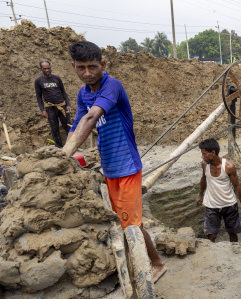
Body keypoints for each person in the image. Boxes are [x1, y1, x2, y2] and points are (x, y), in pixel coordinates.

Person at [61, 41, 166, 282]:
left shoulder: (112, 86)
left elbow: (91, 116)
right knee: (121, 222)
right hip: (109, 169)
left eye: (92, 67)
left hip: (127, 167)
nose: (87, 73)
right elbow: (76, 125)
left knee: (133, 226)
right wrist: (62, 152)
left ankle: (157, 263)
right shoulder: (82, 93)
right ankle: (134, 259)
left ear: (103, 64)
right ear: (73, 67)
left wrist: (65, 153)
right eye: (81, 68)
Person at [196, 138, 241, 243]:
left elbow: (237, 186)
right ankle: (211, 256)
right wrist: (200, 194)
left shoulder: (229, 167)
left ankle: (233, 255)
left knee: (232, 233)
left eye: (204, 154)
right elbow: (204, 179)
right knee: (212, 235)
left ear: (213, 152)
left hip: (229, 205)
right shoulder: (204, 164)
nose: (202, 156)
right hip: (211, 205)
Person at [34, 61, 72, 147]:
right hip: (50, 108)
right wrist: (42, 110)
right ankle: (59, 147)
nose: (47, 70)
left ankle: (71, 145)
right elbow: (39, 96)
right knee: (54, 128)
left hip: (62, 105)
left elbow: (63, 92)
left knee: (68, 126)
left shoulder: (57, 78)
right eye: (45, 69)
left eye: (48, 68)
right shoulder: (38, 81)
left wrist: (68, 104)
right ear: (41, 69)